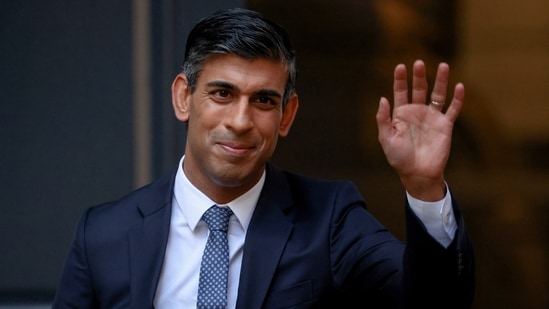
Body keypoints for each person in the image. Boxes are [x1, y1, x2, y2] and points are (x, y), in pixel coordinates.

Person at [53, 7, 474, 309]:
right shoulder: (103, 234)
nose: (241, 121)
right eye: (222, 93)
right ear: (184, 97)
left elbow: (434, 301)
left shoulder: (329, 220)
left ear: (286, 116)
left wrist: (424, 187)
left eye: (264, 100)